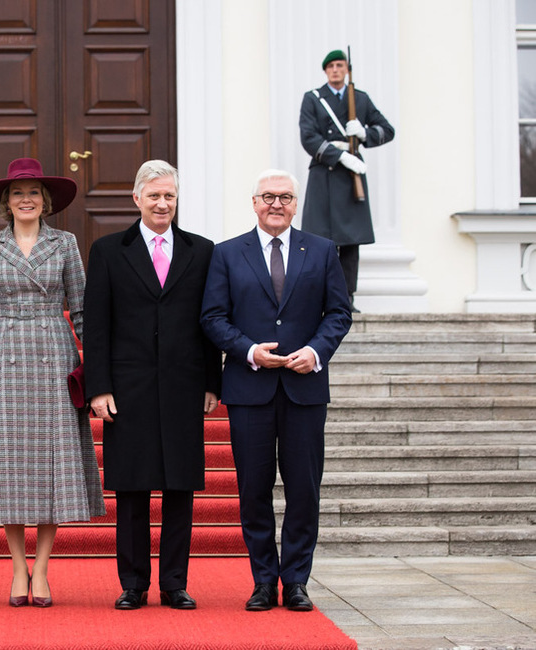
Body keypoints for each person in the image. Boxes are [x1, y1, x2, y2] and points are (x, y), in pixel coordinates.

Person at [200, 169, 352, 612]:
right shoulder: (228, 254)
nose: (276, 204)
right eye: (268, 196)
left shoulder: (322, 251)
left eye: (285, 197)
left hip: (305, 388)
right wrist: (248, 350)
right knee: (253, 489)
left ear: (295, 204)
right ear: (253, 202)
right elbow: (212, 317)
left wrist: (316, 351)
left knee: (304, 488)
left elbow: (339, 313)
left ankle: (297, 581)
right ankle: (264, 580)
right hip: (250, 389)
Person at [0, 158, 105, 608]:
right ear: (6, 202)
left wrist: (94, 369)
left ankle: (41, 569)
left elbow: (81, 311)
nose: (27, 198)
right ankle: (17, 566)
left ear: (46, 202)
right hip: (4, 355)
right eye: (18, 192)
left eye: (34, 192)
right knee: (11, 466)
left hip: (53, 357)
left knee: (50, 466)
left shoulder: (65, 243)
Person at [83, 159, 221, 610]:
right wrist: (98, 387)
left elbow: (210, 323)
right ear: (137, 198)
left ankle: (174, 583)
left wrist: (211, 382)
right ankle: (134, 584)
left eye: (170, 196)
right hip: (128, 388)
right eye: (155, 195)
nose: (163, 204)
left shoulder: (202, 251)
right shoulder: (108, 250)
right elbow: (97, 325)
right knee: (132, 489)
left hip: (184, 385)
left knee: (180, 487)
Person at [299, 49, 395, 312]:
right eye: (330, 66)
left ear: (347, 70)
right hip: (325, 172)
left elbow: (387, 130)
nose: (335, 70)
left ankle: (346, 299)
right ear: (325, 71)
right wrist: (338, 156)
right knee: (320, 242)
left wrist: (364, 133)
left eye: (340, 65)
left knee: (350, 242)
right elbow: (308, 137)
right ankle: (320, 298)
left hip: (352, 176)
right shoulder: (314, 99)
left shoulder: (360, 99)